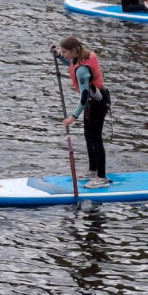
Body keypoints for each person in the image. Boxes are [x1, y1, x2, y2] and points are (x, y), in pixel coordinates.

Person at [51, 35, 111, 189]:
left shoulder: (83, 70)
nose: (63, 54)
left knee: (96, 139)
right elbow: (71, 64)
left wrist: (73, 117)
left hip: (98, 103)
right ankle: (92, 170)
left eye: (64, 52)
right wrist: (58, 57)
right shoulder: (80, 57)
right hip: (91, 101)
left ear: (74, 51)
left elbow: (84, 97)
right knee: (88, 136)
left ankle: (102, 177)